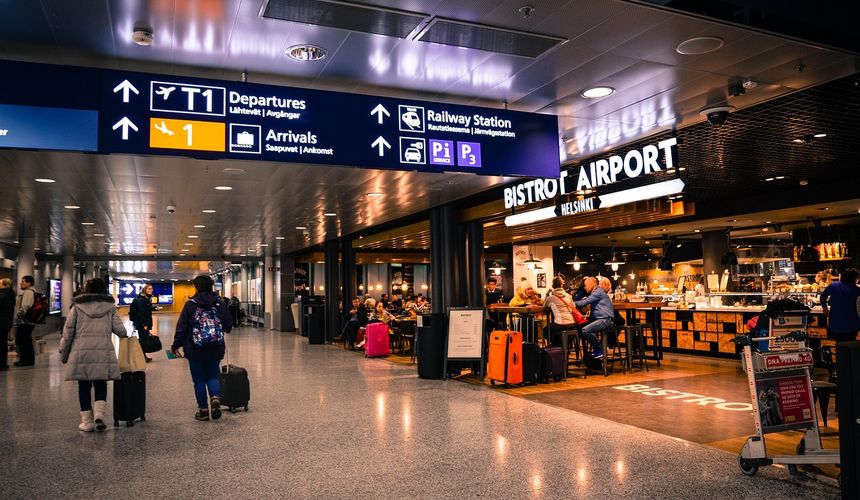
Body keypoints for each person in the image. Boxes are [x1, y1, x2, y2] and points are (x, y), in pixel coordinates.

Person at [58, 278, 128, 432]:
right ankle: (99, 416)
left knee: (83, 386)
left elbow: (68, 333)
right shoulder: (110, 307)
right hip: (102, 352)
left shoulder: (77, 307)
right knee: (100, 383)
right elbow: (121, 331)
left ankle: (87, 423)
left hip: (81, 352)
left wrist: (64, 354)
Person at [171, 275, 233, 421]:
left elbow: (182, 328)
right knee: (212, 375)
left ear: (196, 287)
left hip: (195, 348)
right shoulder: (219, 303)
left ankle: (203, 410)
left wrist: (176, 345)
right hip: (215, 346)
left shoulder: (191, 304)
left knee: (199, 380)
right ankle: (215, 398)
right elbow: (228, 325)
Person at [575, 276, 616, 359]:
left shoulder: (598, 292)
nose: (585, 287)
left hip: (606, 320)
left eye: (586, 285)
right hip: (604, 320)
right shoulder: (597, 292)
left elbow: (583, 303)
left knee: (585, 330)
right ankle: (596, 349)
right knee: (582, 327)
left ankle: (599, 349)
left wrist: (570, 303)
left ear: (591, 284)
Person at [820, 268, 860, 342]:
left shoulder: (833, 285)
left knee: (839, 343)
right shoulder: (857, 289)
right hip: (851, 322)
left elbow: (823, 297)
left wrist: (824, 308)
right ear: (854, 279)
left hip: (836, 321)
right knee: (851, 343)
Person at [13, 275, 37, 367]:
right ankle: (25, 359)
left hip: (25, 321)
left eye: (23, 281)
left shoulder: (29, 292)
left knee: (24, 340)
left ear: (29, 283)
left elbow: (26, 306)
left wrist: (18, 316)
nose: (20, 283)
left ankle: (26, 360)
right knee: (25, 339)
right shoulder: (32, 292)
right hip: (27, 321)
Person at [129, 283, 156, 363]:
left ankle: (143, 356)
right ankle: (142, 357)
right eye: (149, 289)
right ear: (145, 289)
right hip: (142, 323)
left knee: (143, 339)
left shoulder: (145, 298)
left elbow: (145, 309)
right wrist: (144, 324)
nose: (150, 290)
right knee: (143, 340)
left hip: (142, 323)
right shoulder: (141, 299)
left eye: (151, 289)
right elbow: (141, 313)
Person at [0, 278, 15, 371]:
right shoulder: (10, 295)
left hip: (1, 322)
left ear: (4, 285)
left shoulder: (2, 295)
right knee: (3, 343)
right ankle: (3, 363)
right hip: (6, 322)